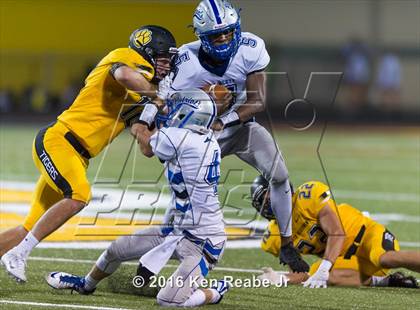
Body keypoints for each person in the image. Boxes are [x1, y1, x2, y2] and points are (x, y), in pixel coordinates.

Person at [0, 25, 178, 283]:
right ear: (146, 53)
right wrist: (157, 96)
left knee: (28, 228)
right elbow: (125, 76)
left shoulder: (140, 96)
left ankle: (16, 249)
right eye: (162, 60)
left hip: (77, 156)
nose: (166, 67)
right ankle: (20, 255)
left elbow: (145, 145)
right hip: (59, 141)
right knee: (80, 195)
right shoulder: (126, 58)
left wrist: (163, 126)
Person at [46, 89, 230, 307]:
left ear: (190, 115)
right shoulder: (204, 137)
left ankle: (215, 292)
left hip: (203, 241)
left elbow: (144, 141)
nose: (172, 113)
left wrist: (141, 116)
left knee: (170, 301)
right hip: (177, 229)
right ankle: (85, 284)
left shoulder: (181, 138)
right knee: (116, 250)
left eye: (179, 111)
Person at [167, 0, 308, 272]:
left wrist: (224, 118)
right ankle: (164, 243)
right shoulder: (186, 60)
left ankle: (287, 245)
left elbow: (257, 101)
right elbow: (172, 106)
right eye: (215, 35)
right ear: (201, 36)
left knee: (280, 175)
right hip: (201, 136)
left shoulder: (250, 47)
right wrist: (204, 106)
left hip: (240, 127)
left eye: (228, 33)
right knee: (184, 194)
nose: (223, 39)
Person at [250, 176, 420, 288]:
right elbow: (302, 274)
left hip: (365, 235)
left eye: (271, 195)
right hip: (343, 260)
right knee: (320, 278)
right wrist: (280, 277)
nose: (269, 202)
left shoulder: (307, 196)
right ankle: (387, 281)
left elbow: (337, 233)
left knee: (385, 258)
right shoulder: (274, 237)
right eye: (264, 198)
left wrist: (324, 267)